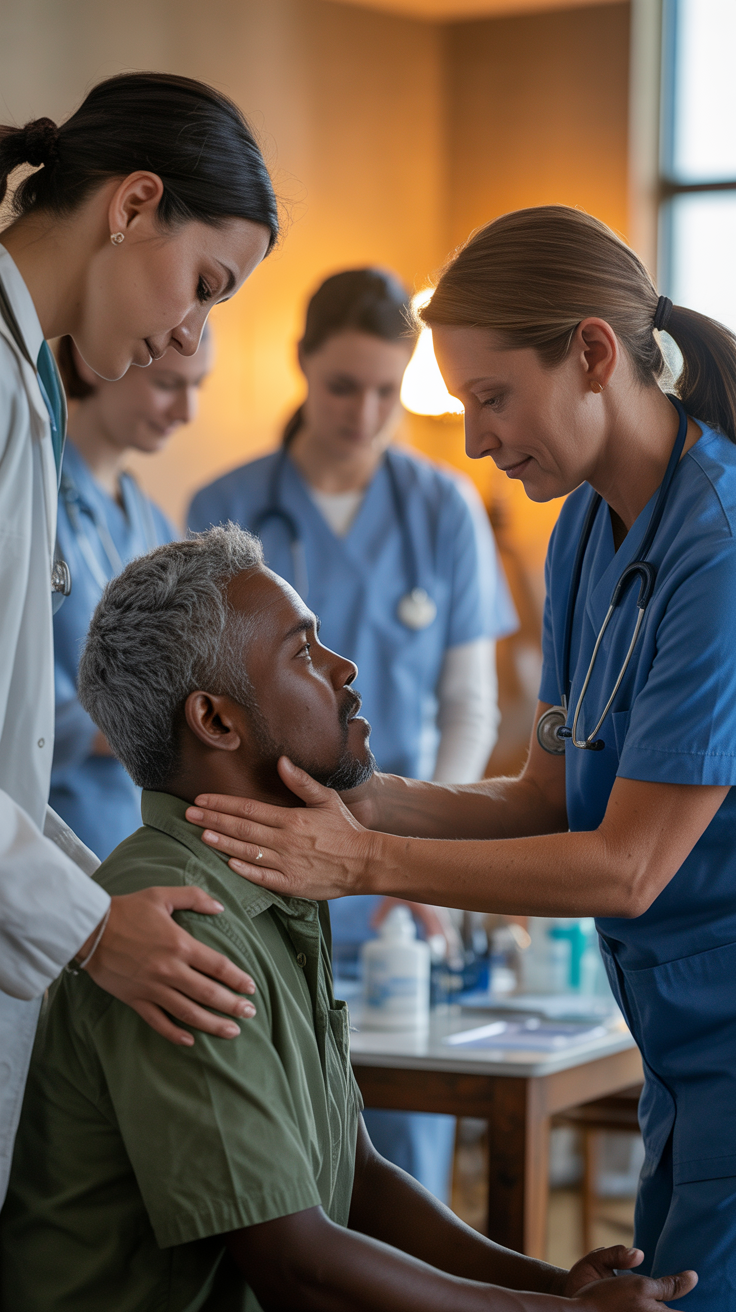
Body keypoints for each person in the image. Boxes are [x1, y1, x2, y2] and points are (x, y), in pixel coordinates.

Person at [185, 205, 736, 1311]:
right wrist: (366, 795)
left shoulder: (717, 541)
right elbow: (546, 794)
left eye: (490, 397)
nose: (475, 437)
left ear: (589, 352)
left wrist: (365, 861)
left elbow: (626, 865)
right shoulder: (585, 526)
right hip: (684, 1050)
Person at [0, 525, 696, 1312]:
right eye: (303, 652)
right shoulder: (183, 918)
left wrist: (546, 1283)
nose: (345, 668)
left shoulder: (274, 880)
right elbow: (295, 1263)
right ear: (217, 721)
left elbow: (354, 1176)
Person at [0, 69, 278, 1204]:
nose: (183, 338)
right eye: (203, 287)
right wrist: (86, 928)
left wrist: (99, 909)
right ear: (132, 204)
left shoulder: (27, 388)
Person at [188, 268, 516, 1198]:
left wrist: (412, 858)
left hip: (397, 869)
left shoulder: (444, 507)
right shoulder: (224, 506)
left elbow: (470, 707)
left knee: (404, 1160)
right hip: (257, 851)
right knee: (275, 1151)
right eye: (342, 385)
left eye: (385, 388)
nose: (364, 412)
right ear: (301, 365)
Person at [51, 330, 213, 859]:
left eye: (198, 386)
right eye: (168, 384)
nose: (187, 411)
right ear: (95, 359)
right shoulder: (33, 501)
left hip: (135, 837)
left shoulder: (154, 523)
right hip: (49, 829)